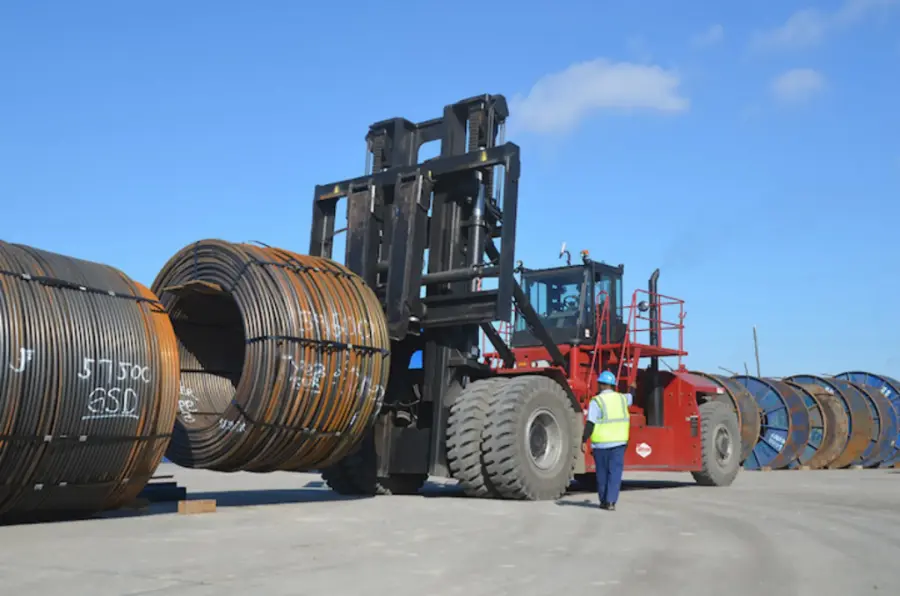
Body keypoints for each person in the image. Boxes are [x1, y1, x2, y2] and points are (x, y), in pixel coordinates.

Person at [582, 370, 634, 511]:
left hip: (601, 444)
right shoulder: (622, 398)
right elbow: (632, 397)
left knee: (602, 474)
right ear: (613, 385)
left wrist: (583, 440)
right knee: (615, 474)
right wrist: (633, 387)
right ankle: (611, 502)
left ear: (600, 385)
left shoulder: (596, 401)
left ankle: (603, 501)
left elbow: (590, 423)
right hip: (619, 443)